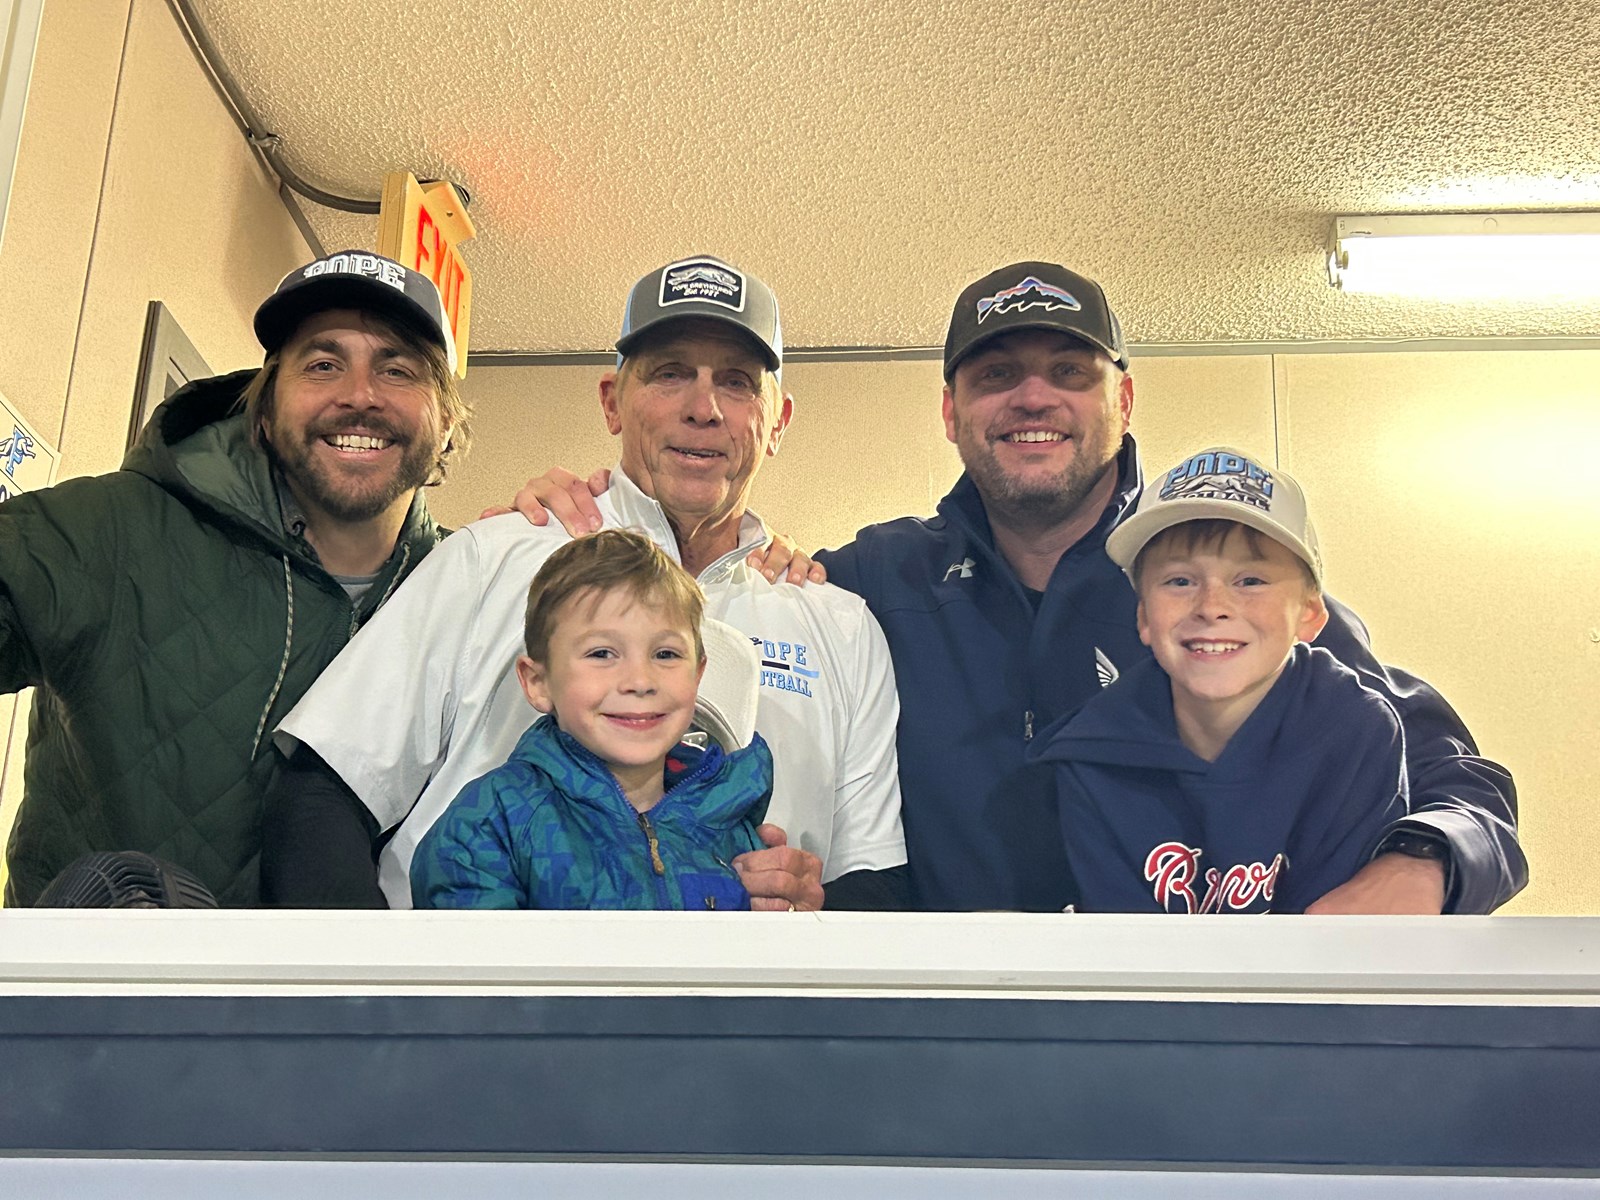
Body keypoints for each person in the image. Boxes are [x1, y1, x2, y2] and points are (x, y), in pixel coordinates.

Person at [521, 261, 1525, 915]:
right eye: (997, 374)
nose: (1032, 396)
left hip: (1204, 1043)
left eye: (1067, 371)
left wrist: (1416, 867)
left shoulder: (1238, 597)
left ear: (1122, 400)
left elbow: (1467, 791)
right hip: (950, 1061)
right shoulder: (867, 579)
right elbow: (710, 584)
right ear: (951, 411)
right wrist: (583, 514)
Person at [264, 254, 908, 911]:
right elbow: (327, 793)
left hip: (737, 1012)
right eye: (670, 373)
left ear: (779, 423)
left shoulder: (838, 624)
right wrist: (379, 1004)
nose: (703, 407)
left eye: (738, 382)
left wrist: (814, 915)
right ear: (611, 402)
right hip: (478, 1008)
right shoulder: (496, 555)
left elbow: (873, 878)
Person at [0, 250, 469, 905]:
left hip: (361, 1008)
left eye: (398, 368)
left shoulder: (476, 594)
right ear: (267, 404)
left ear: (446, 420)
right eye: (323, 364)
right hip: (102, 1002)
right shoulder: (106, 528)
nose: (360, 395)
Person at [1034, 447, 1408, 913]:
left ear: (1310, 615)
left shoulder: (1356, 729)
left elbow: (1336, 942)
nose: (1212, 606)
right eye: (1179, 581)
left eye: (1250, 580)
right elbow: (1126, 957)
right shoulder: (1088, 754)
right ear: (1144, 617)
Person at [411, 529, 773, 910]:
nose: (640, 681)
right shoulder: (488, 823)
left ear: (698, 675)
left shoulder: (731, 824)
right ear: (538, 683)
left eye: (665, 654)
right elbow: (478, 966)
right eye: (602, 653)